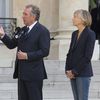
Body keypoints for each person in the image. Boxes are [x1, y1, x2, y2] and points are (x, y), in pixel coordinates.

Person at [0, 4, 50, 100]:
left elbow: (45, 51)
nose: (22, 16)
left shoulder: (43, 31)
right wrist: (2, 35)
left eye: (25, 14)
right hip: (22, 73)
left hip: (34, 75)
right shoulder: (22, 30)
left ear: (33, 16)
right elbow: (11, 44)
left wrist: (27, 56)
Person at [65, 9, 96, 100]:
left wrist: (74, 71)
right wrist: (67, 70)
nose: (73, 19)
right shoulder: (74, 34)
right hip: (72, 72)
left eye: (75, 16)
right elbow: (70, 53)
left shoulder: (90, 34)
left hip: (83, 73)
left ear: (82, 19)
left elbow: (87, 57)